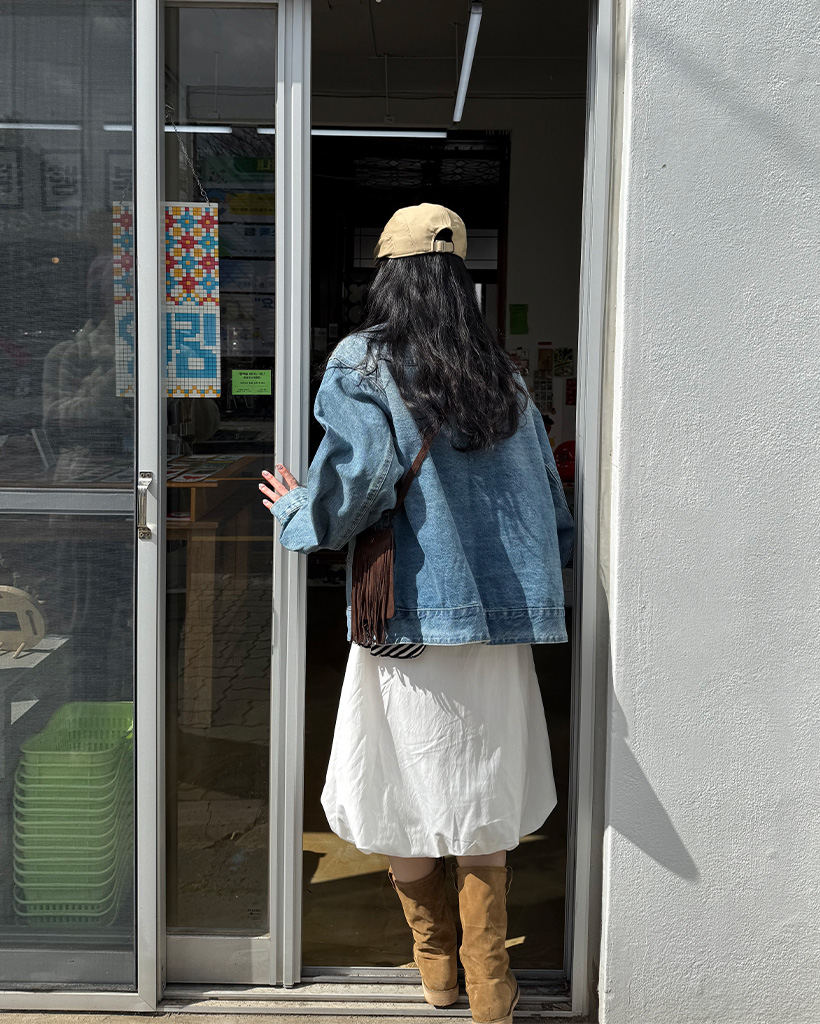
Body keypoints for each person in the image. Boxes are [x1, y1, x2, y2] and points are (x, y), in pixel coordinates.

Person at [258, 203, 573, 1024]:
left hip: (410, 621)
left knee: (398, 785)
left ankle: (436, 968)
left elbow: (356, 486)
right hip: (497, 627)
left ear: (388, 275)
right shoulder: (502, 375)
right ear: (460, 279)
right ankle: (491, 984)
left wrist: (297, 513)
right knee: (482, 789)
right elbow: (548, 499)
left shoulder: (364, 361)